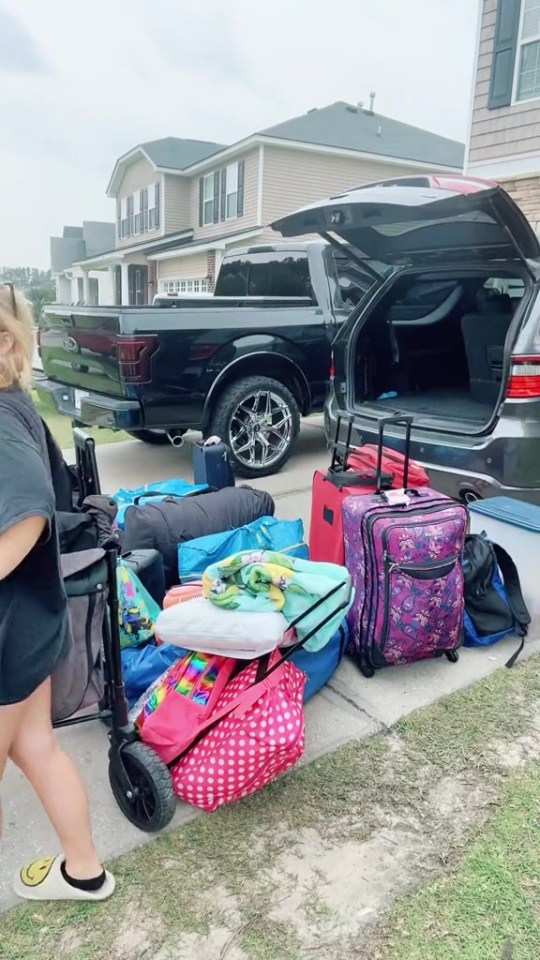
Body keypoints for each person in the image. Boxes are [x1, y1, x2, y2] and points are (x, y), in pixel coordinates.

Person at [0, 283, 115, 902]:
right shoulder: (15, 401)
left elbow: (27, 513)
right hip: (32, 619)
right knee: (37, 746)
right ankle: (85, 872)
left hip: (8, 630)